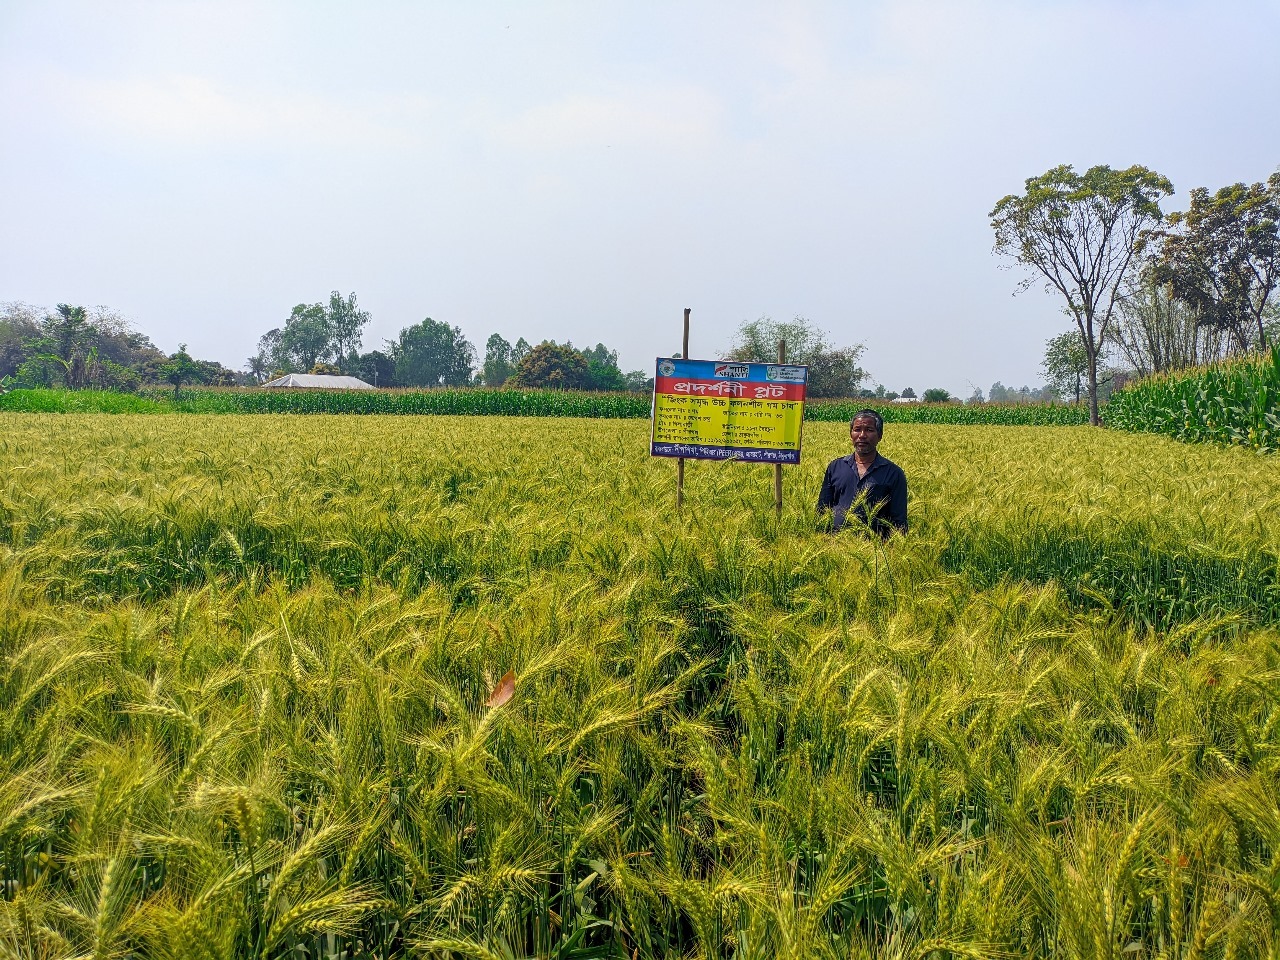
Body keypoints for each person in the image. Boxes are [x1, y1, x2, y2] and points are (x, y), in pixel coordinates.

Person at [816, 409, 907, 536]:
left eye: (869, 430)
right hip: (835, 547)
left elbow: (899, 521)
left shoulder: (893, 473)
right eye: (857, 429)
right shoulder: (836, 467)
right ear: (851, 434)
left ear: (880, 435)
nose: (862, 435)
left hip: (874, 551)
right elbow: (822, 510)